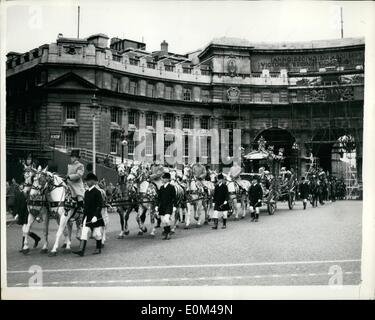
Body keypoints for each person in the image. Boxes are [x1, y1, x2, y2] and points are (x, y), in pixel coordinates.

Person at [73, 173, 104, 257]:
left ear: (93, 181)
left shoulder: (97, 192)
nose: (86, 182)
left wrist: (95, 216)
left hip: (96, 216)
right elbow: (86, 207)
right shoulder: (86, 193)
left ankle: (98, 248)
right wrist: (83, 219)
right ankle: (81, 250)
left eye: (88, 180)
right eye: (86, 180)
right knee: (84, 232)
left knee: (96, 234)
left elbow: (99, 205)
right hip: (88, 216)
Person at [13, 182, 41, 252]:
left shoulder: (31, 195)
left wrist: (37, 215)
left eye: (29, 186)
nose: (29, 188)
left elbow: (36, 205)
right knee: (26, 230)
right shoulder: (19, 194)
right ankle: (36, 238)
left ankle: (24, 247)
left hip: (29, 213)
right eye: (28, 186)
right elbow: (17, 205)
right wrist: (16, 214)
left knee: (24, 229)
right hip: (22, 213)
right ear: (24, 186)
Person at [66, 149, 85, 237]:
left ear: (77, 158)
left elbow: (79, 175)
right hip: (69, 184)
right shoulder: (69, 165)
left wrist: (69, 176)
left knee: (79, 196)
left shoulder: (80, 165)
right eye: (71, 157)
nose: (71, 158)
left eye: (73, 157)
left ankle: (80, 210)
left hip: (77, 185)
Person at [155, 172, 177, 240]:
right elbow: (159, 198)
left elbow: (174, 197)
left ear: (167, 179)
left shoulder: (171, 187)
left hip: (169, 206)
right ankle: (166, 234)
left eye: (163, 178)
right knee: (163, 221)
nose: (162, 179)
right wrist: (156, 205)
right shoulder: (161, 187)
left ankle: (168, 233)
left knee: (166, 219)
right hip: (162, 206)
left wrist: (174, 206)